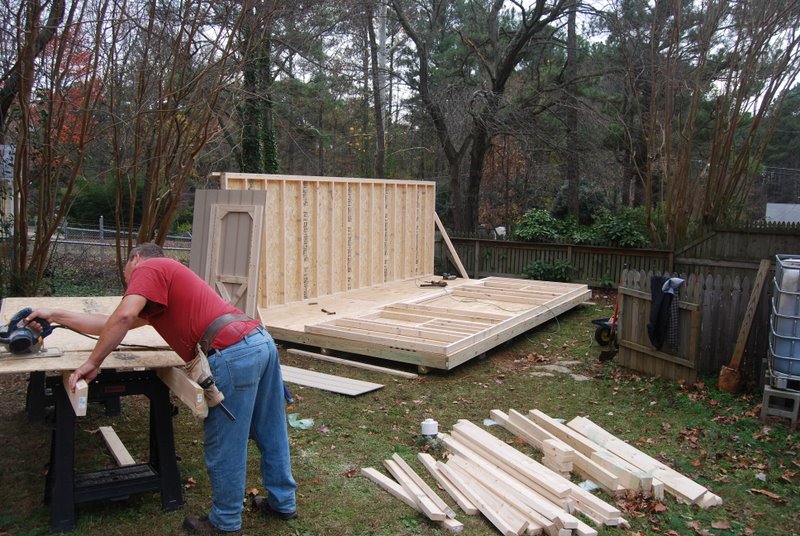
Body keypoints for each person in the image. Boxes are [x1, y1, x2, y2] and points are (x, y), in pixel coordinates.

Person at [26, 242, 297, 535]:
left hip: (232, 353)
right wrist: (55, 315)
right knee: (271, 429)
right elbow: (109, 323)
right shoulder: (162, 290)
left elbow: (123, 316)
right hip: (258, 341)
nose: (128, 281)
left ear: (137, 259)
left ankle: (225, 522)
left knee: (225, 441)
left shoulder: (150, 267)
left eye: (126, 273)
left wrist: (93, 362)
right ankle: (283, 502)